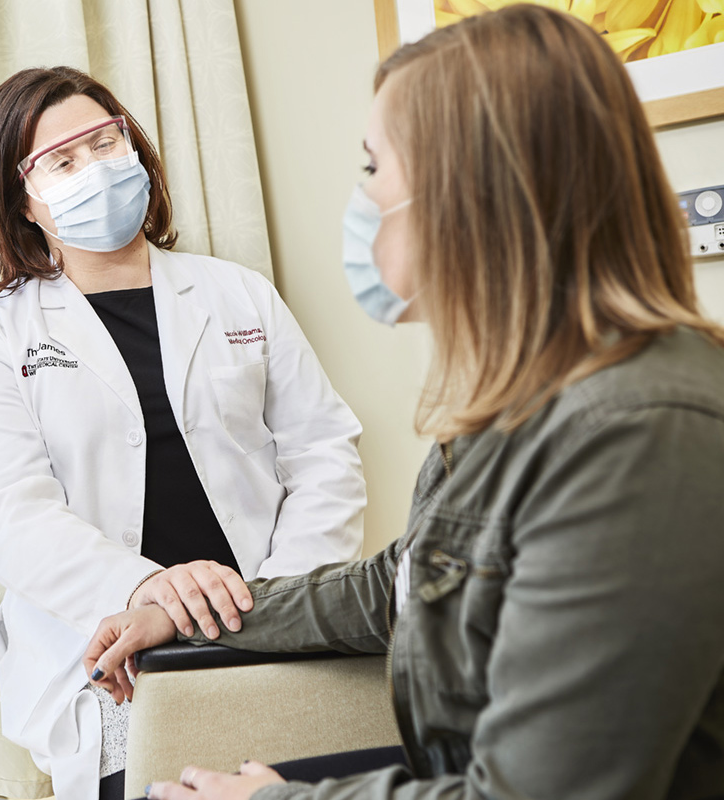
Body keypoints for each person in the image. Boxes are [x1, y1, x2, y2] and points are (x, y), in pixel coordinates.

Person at [82, 6, 724, 799]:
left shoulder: (635, 434)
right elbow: (399, 582)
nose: (360, 199)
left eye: (373, 168)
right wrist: (197, 614)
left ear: (475, 191)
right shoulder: (523, 402)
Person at [0, 67, 367, 799]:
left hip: (266, 624)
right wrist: (151, 588)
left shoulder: (237, 293)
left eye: (107, 143)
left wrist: (271, 603)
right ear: (23, 199)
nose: (96, 170)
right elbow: (10, 511)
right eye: (64, 162)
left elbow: (323, 453)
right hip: (113, 655)